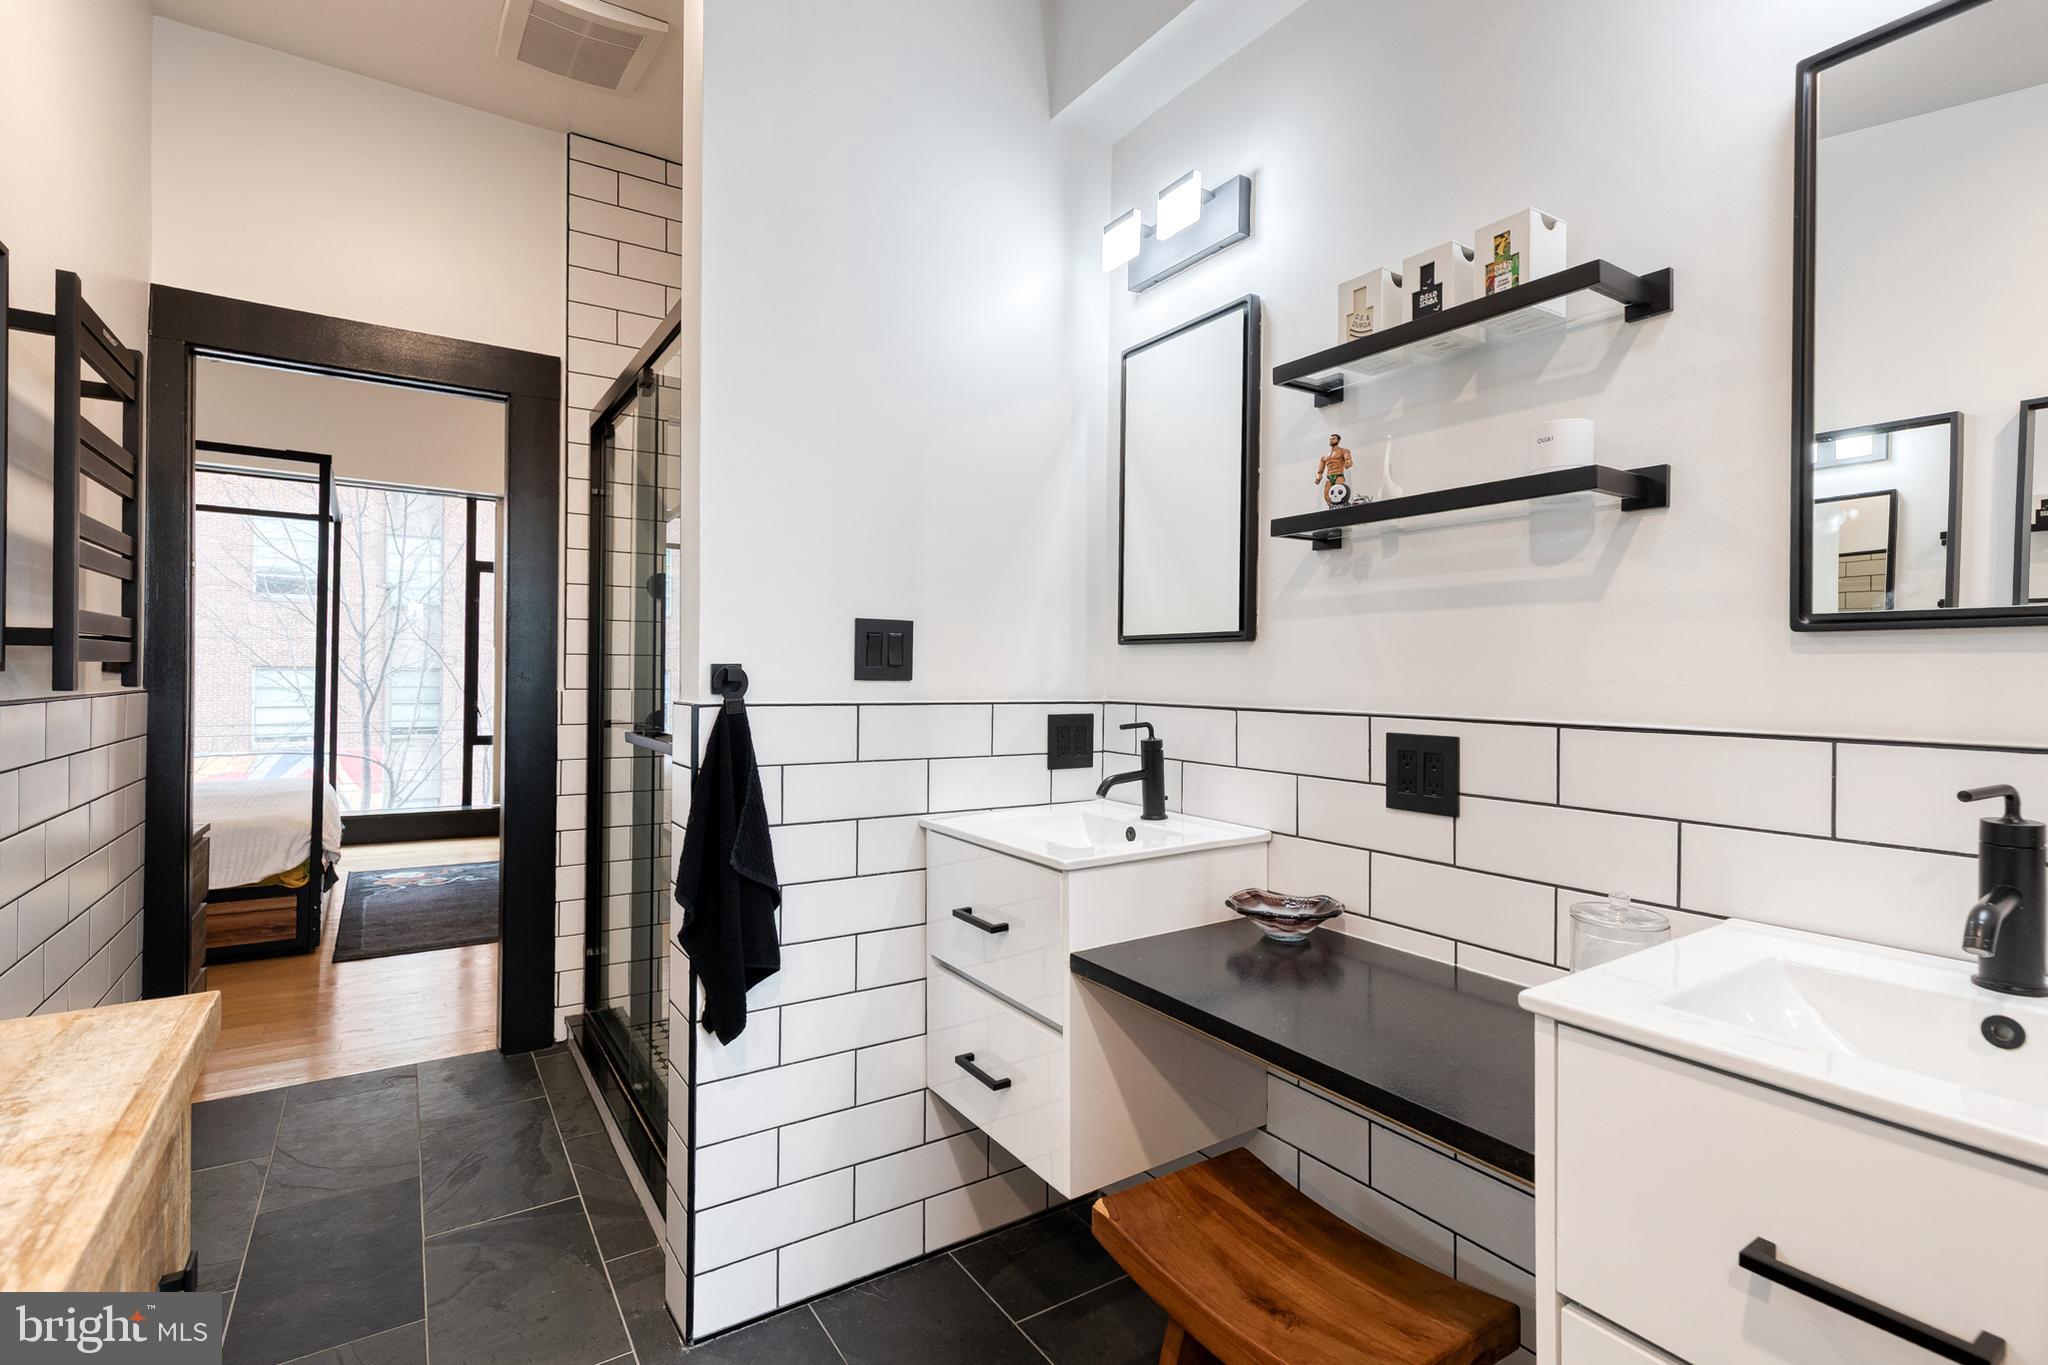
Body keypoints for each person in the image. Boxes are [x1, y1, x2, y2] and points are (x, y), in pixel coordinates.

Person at [1314, 433, 1353, 507]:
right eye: (1330, 439)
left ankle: (1341, 506)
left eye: (1333, 439)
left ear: (1338, 440)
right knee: (1327, 497)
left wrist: (1348, 463)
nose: (1331, 440)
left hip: (1338, 475)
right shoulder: (1324, 457)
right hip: (1329, 477)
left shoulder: (1343, 451)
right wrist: (1318, 478)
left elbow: (1348, 460)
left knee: (1339, 492)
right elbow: (1320, 471)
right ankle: (1331, 508)